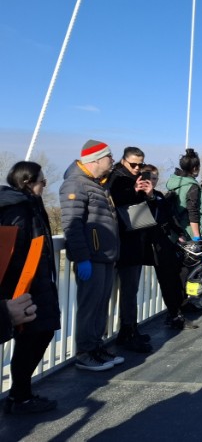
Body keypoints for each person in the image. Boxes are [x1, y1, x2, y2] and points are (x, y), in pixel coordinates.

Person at [0, 161, 61, 413]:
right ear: (28, 182)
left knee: (35, 334)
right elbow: (13, 249)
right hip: (27, 284)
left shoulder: (24, 204)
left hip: (32, 281)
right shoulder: (19, 208)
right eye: (42, 181)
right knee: (36, 334)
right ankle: (20, 397)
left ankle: (20, 394)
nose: (44, 186)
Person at [60, 140, 123, 371]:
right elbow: (72, 225)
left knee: (100, 305)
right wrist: (82, 257)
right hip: (92, 257)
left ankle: (96, 347)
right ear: (95, 160)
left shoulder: (98, 185)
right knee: (89, 306)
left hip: (105, 256)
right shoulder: (76, 184)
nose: (112, 160)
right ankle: (85, 353)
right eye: (109, 157)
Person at [107, 147, 153, 353]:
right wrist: (135, 191)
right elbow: (115, 201)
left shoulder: (126, 178)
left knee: (130, 291)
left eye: (140, 165)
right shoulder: (115, 179)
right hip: (124, 243)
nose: (137, 168)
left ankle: (129, 330)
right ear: (122, 161)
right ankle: (127, 333)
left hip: (134, 241)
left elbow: (143, 206)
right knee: (127, 292)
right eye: (133, 164)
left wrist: (148, 194)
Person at [138, 164, 195, 331]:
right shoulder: (139, 196)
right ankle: (174, 314)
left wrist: (180, 233)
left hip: (165, 242)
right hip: (151, 246)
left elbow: (168, 217)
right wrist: (148, 197)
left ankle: (177, 311)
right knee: (166, 280)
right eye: (149, 178)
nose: (152, 182)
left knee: (175, 277)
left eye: (155, 178)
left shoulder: (158, 195)